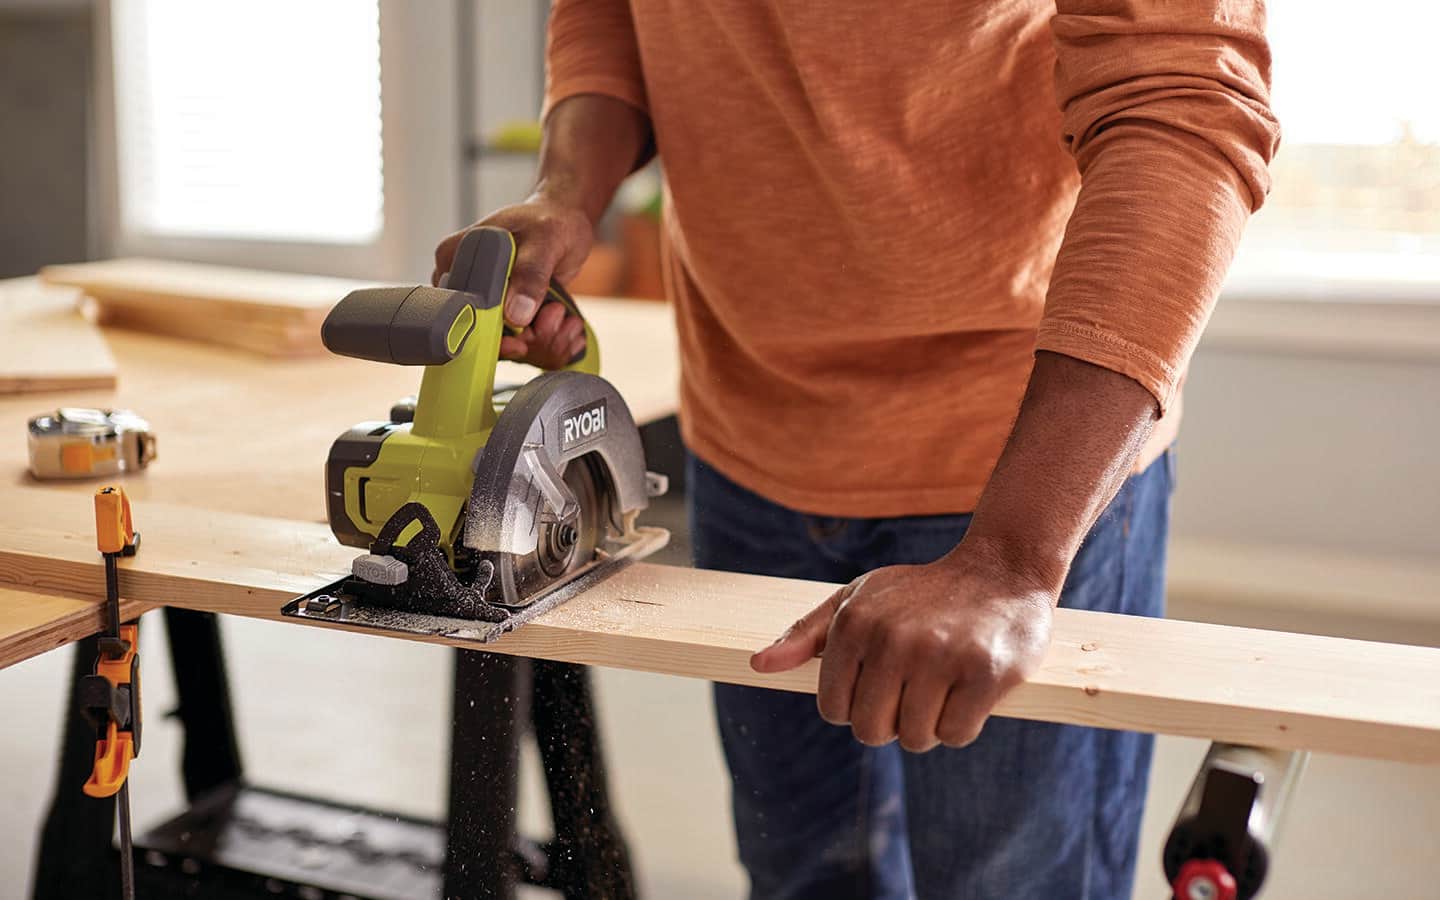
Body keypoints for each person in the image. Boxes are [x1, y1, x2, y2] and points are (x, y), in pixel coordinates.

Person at [434, 2, 1279, 897]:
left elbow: (1181, 104)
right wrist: (569, 190)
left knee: (1012, 885)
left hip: (1016, 464)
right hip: (749, 430)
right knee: (804, 875)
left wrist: (1010, 559)